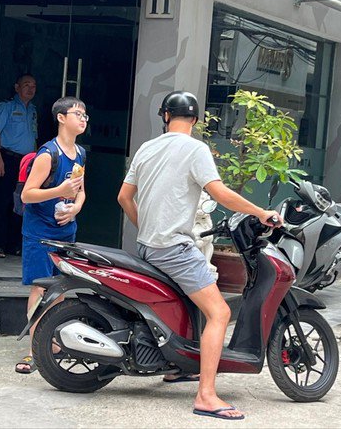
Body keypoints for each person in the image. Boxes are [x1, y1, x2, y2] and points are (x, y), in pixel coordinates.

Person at [117, 91, 280, 421]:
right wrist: (261, 212)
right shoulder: (196, 149)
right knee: (219, 311)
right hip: (173, 248)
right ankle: (206, 395)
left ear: (166, 116)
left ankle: (179, 367)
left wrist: (147, 227)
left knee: (190, 303)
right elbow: (219, 193)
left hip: (148, 245)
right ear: (194, 119)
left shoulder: (147, 148)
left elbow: (124, 197)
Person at [15, 97, 88, 374]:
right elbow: (27, 195)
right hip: (39, 233)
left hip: (65, 231)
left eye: (85, 115)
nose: (83, 119)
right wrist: (60, 191)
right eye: (77, 114)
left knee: (59, 288)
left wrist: (76, 208)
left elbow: (80, 191)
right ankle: (36, 349)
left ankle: (52, 343)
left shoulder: (80, 152)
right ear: (61, 117)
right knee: (40, 288)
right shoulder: (48, 154)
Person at [0, 74, 38, 258]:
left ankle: (13, 244)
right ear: (17, 87)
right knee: (2, 201)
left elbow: (33, 137)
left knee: (21, 204)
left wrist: (35, 161)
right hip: (8, 158)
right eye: (26, 85)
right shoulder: (6, 107)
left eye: (33, 86)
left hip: (26, 162)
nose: (30, 89)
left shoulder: (33, 110)